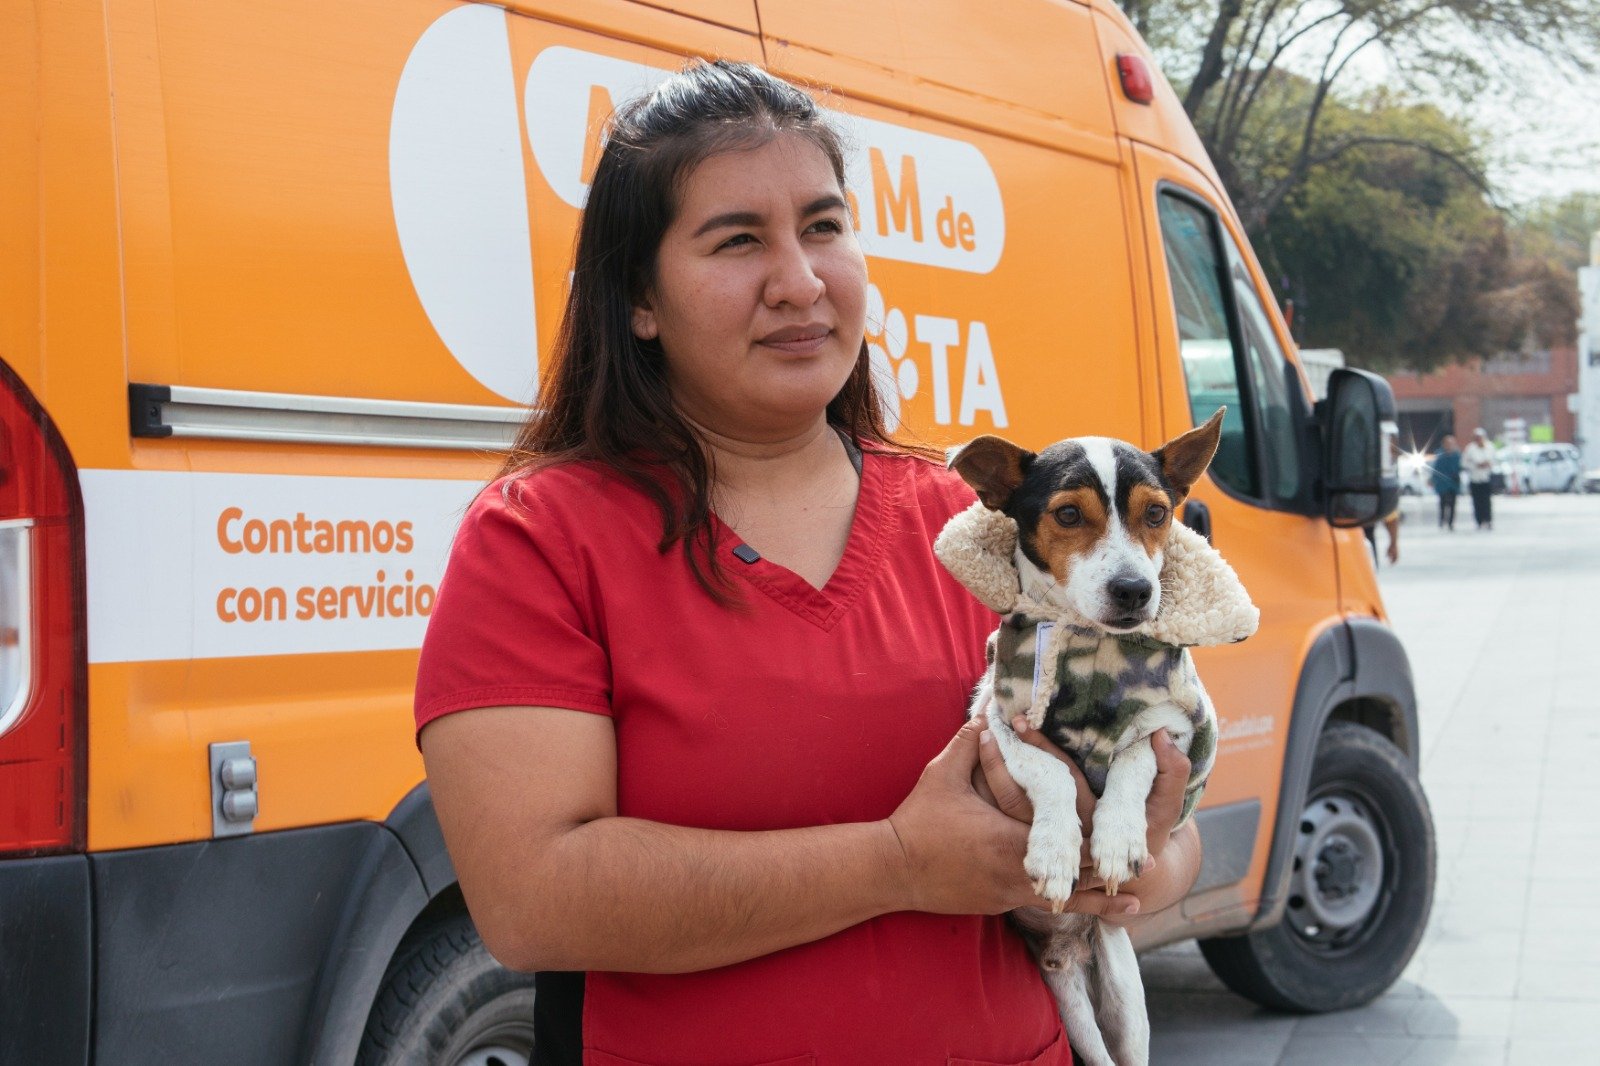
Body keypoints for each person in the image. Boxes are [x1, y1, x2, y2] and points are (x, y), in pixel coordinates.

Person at [413, 61, 1201, 1065]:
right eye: (738, 240)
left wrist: (1132, 863)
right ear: (639, 298)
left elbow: (1173, 831)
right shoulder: (539, 539)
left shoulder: (981, 527)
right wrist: (897, 863)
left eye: (824, 227)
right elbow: (533, 899)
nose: (801, 280)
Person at [1462, 427, 1496, 530]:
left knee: (1487, 501)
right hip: (1474, 478)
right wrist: (1476, 465)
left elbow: (1494, 460)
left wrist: (1487, 464)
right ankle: (1479, 520)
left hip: (1486, 478)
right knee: (1477, 501)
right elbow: (1464, 463)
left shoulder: (1490, 447)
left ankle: (1488, 520)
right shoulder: (1470, 449)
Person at [1431, 434, 1462, 531]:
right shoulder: (1439, 455)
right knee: (1442, 503)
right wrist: (1433, 480)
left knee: (1452, 504)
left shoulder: (1457, 455)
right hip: (1442, 483)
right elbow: (1436, 469)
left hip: (1453, 483)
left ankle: (1451, 522)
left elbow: (1460, 468)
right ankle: (1442, 520)